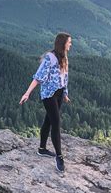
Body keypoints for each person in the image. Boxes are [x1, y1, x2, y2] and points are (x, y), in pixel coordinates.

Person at [19, 32, 72, 172]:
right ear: (63, 43)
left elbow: (64, 76)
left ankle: (42, 149)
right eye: (69, 42)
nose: (71, 44)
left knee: (48, 121)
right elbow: (38, 77)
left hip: (59, 93)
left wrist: (65, 94)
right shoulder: (50, 57)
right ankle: (59, 157)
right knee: (56, 123)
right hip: (49, 95)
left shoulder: (64, 57)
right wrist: (27, 93)